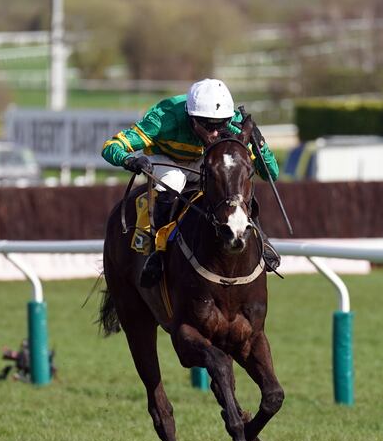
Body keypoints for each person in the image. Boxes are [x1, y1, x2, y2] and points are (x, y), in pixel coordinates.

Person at [101, 78, 281, 288]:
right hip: (167, 160)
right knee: (174, 181)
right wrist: (129, 159)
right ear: (191, 117)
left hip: (205, 160)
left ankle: (261, 238)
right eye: (207, 125)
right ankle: (156, 252)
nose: (215, 133)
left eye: (220, 125)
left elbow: (271, 174)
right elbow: (111, 146)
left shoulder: (232, 121)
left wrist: (259, 144)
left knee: (235, 175)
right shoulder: (162, 118)